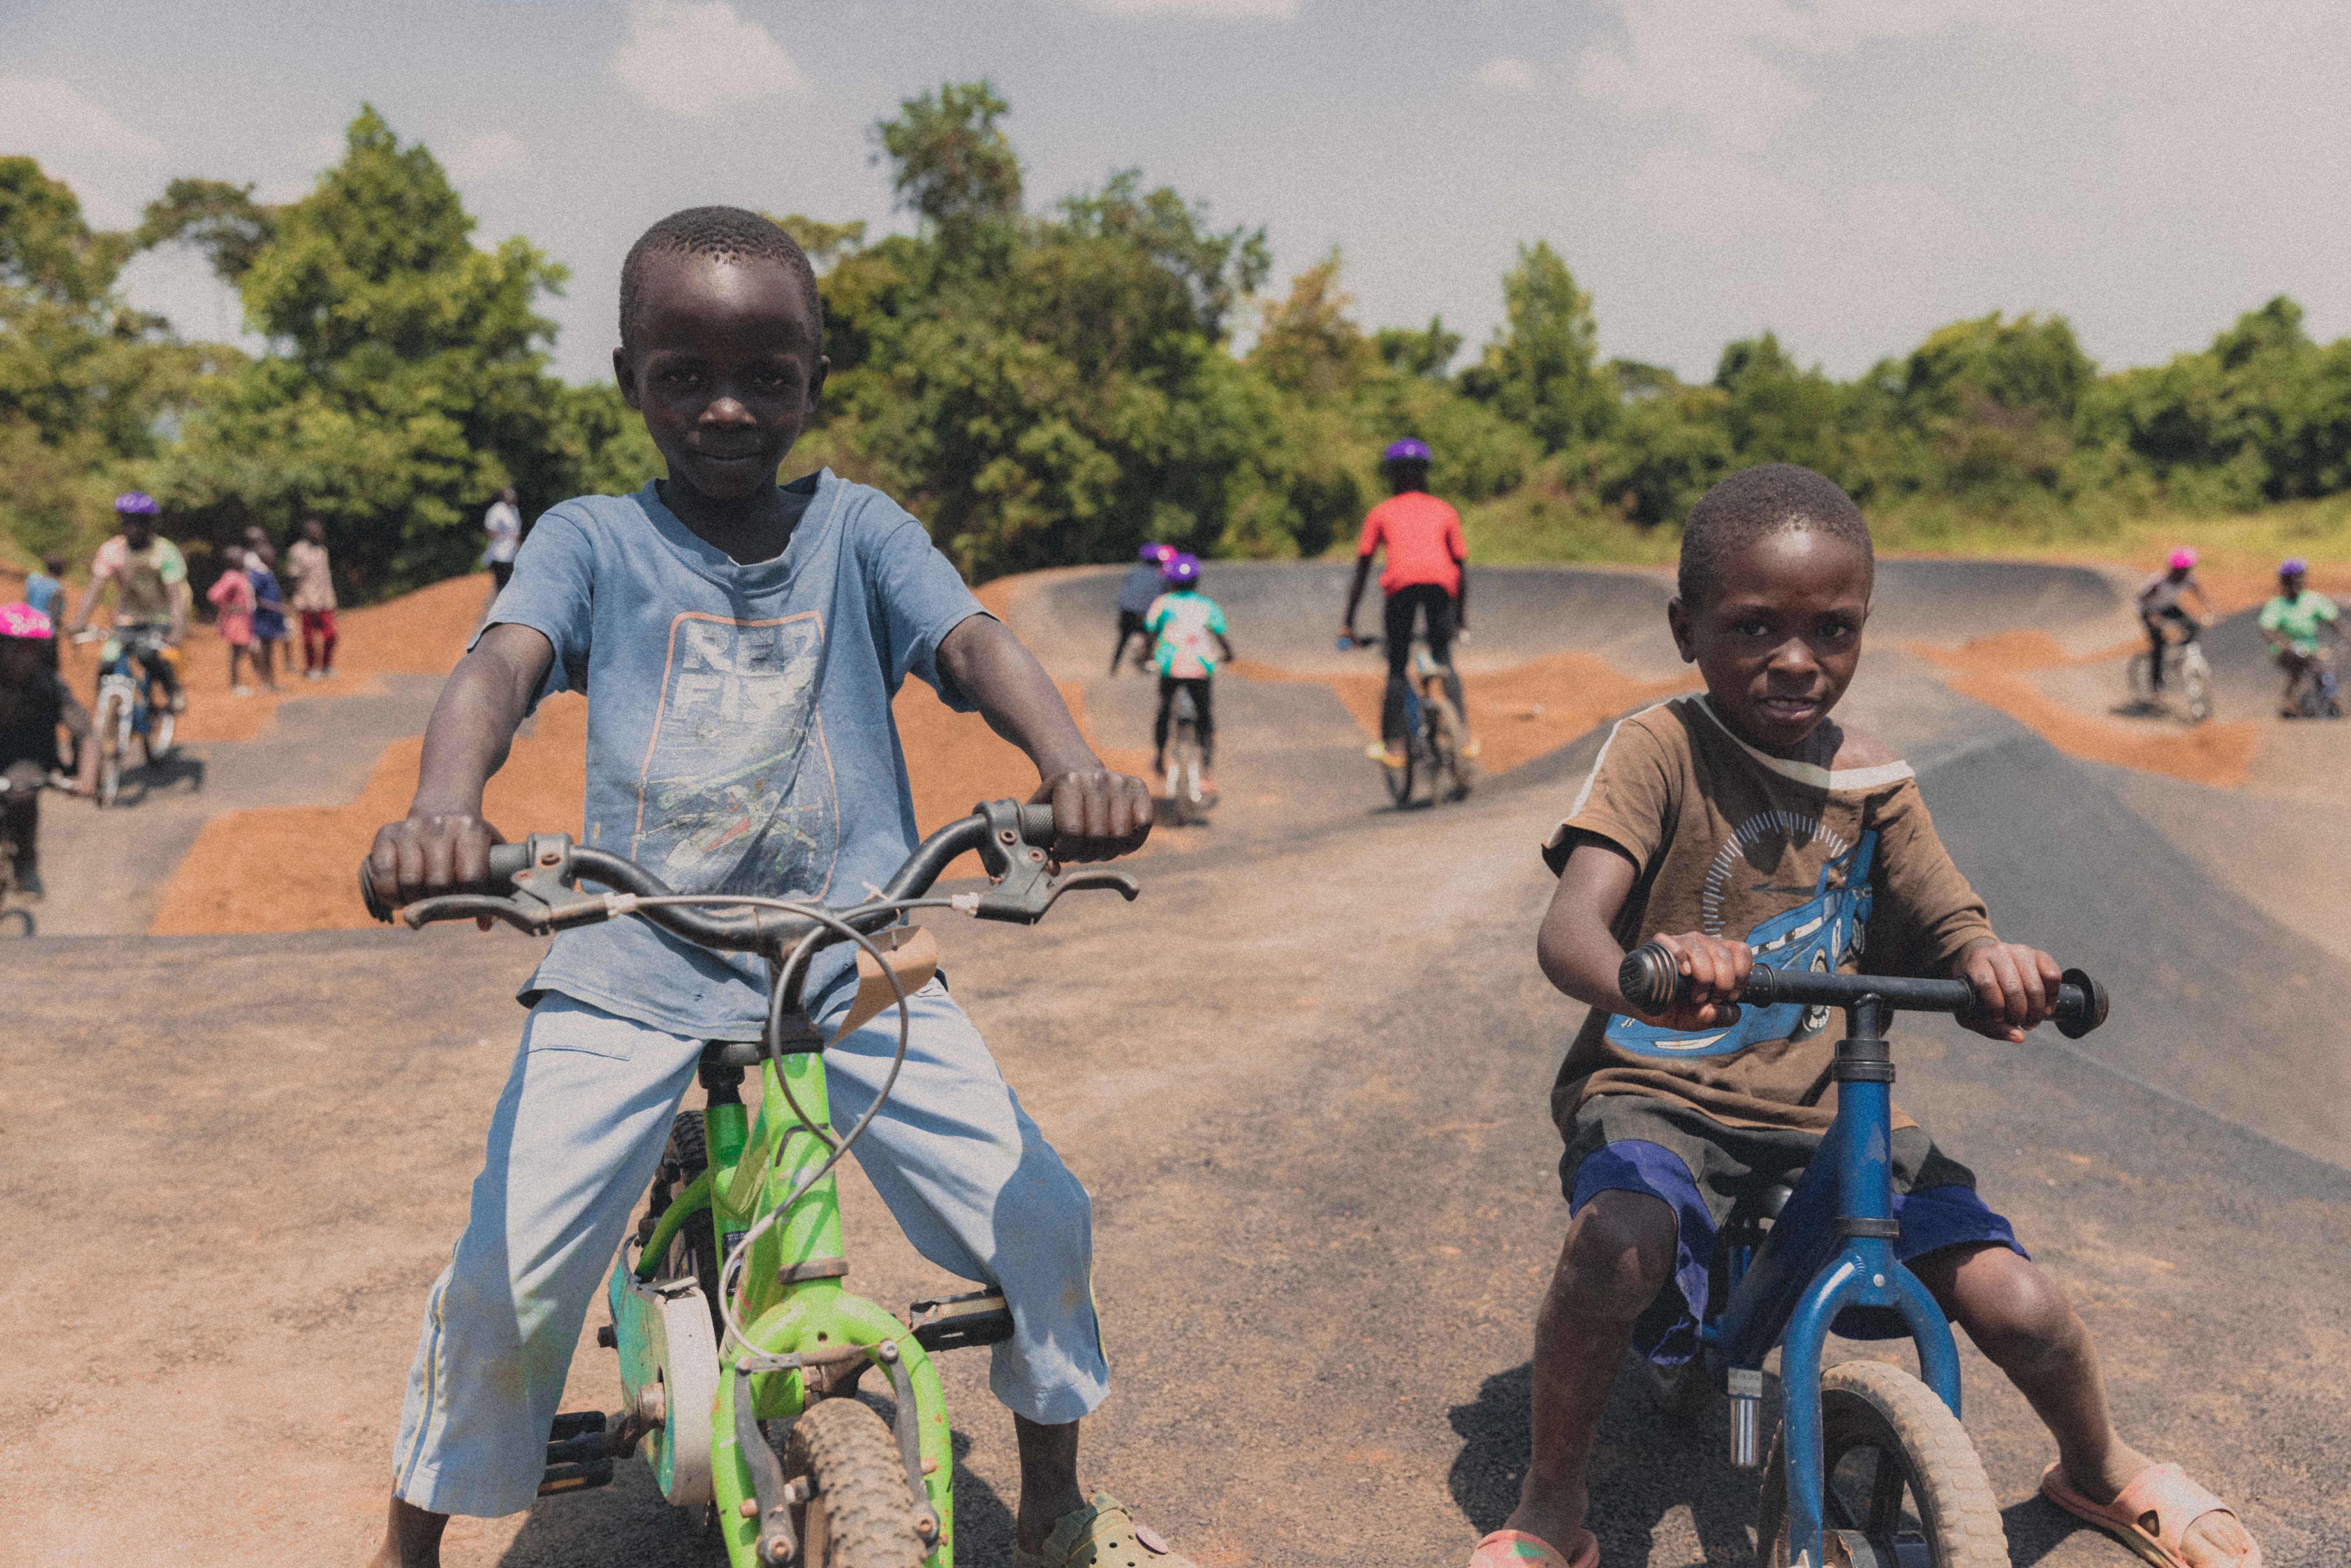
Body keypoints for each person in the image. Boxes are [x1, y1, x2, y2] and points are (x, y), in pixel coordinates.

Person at [358, 207, 1185, 1568]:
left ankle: (1052, 1499)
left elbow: (973, 642)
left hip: (845, 954)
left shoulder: (859, 527)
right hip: (627, 961)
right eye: (684, 373)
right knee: (511, 1266)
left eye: (768, 373)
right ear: (629, 380)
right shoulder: (590, 539)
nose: (728, 405)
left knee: (1040, 1209)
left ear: (818, 374)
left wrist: (1073, 766)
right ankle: (409, 1539)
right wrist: (445, 808)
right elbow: (501, 665)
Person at [1479, 464, 2260, 1568]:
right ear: (1684, 626)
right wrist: (1644, 969)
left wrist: (1999, 972)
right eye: (1753, 627)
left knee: (2020, 1304)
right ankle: (1549, 1501)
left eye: (1831, 631)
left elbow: (1956, 926)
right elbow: (1570, 931)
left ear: (1862, 631)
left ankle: (2097, 1465)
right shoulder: (1662, 749)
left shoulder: (1876, 784)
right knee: (1617, 1249)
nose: (1795, 660)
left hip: (1823, 1123)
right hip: (1661, 1092)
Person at [1341, 437, 1477, 767]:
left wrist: (1349, 620)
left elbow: (1362, 570)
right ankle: (1465, 739)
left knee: (1398, 666)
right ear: (1426, 473)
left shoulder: (1381, 513)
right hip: (1441, 588)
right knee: (1444, 657)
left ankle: (1395, 746)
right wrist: (1460, 617)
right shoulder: (1445, 510)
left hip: (1400, 590)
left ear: (1392, 475)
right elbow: (1459, 570)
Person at [0, 603, 98, 900]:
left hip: (27, 760)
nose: (22, 657)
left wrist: (87, 780)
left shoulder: (49, 685)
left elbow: (86, 733)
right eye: (15, 648)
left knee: (22, 793)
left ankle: (26, 863)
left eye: (31, 649)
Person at [65, 492, 189, 715]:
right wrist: (80, 622)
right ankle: (104, 715)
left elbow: (175, 596)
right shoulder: (112, 550)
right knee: (107, 662)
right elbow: (95, 589)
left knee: (146, 653)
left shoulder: (165, 552)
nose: (133, 527)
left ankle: (173, 690)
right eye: (127, 521)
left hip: (160, 619)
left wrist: (178, 630)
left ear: (150, 524)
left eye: (139, 522)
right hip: (127, 619)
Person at [1145, 551, 1234, 795]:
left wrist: (1146, 655)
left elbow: (1151, 634)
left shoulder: (1163, 603)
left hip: (1170, 667)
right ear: (1197, 581)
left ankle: (1160, 759)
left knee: (1164, 710)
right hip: (1200, 668)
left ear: (1170, 581)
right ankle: (1207, 768)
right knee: (1205, 716)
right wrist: (1229, 654)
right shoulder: (1207, 606)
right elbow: (1220, 635)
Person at [2258, 556, 2343, 717]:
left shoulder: (2313, 599)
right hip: (2286, 651)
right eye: (2292, 580)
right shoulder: (2277, 605)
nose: (2297, 582)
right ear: (2284, 582)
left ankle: (2332, 700)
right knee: (2297, 668)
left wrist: (2347, 633)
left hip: (2313, 649)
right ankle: (2289, 702)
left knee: (2327, 664)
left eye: (2300, 578)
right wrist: (2288, 645)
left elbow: (2335, 621)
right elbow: (2267, 629)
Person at [2135, 547, 2212, 694]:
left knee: (2193, 626)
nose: (2185, 573)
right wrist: (2152, 617)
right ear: (2174, 570)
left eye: (2188, 569)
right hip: (2150, 611)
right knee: (2159, 644)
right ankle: (2156, 683)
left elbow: (2201, 595)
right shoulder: (2160, 583)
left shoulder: (2189, 580)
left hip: (2168, 608)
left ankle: (2180, 653)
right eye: (2182, 570)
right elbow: (2142, 599)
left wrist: (2213, 609)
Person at [287, 517, 339, 679]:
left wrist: (332, 599)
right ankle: (311, 668)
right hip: (307, 602)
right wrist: (302, 599)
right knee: (309, 638)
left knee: (331, 635)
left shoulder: (323, 551)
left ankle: (326, 666)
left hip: (325, 601)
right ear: (307, 533)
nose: (320, 534)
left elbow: (327, 578)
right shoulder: (296, 551)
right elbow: (294, 578)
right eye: (316, 531)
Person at [1111, 541, 1173, 674]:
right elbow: (1165, 598)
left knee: (1123, 641)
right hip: (1145, 616)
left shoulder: (1133, 573)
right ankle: (1149, 663)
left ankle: (1114, 669)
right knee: (1153, 636)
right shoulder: (1161, 577)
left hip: (1127, 614)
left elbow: (1124, 596)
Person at [206, 559, 259, 695]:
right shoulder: (232, 577)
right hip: (236, 621)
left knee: (245, 650)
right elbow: (214, 595)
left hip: (244, 619)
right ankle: (236, 685)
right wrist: (227, 607)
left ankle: (256, 678)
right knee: (236, 653)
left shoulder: (241, 576)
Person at [246, 541, 288, 694]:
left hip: (271, 620)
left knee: (269, 652)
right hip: (263, 619)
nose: (274, 556)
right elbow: (256, 598)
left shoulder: (268, 572)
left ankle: (272, 683)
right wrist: (275, 607)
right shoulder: (258, 574)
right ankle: (265, 684)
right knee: (264, 653)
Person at [21, 554, 69, 672]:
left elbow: (26, 602)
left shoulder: (32, 580)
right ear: (60, 571)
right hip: (45, 633)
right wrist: (64, 628)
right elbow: (56, 615)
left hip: (28, 629)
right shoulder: (58, 589)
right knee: (49, 669)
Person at [482, 485, 522, 594]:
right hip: (499, 554)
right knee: (502, 586)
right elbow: (489, 531)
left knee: (511, 585)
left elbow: (517, 533)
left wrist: (520, 550)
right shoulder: (497, 511)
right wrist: (502, 535)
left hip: (512, 554)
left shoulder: (514, 511)